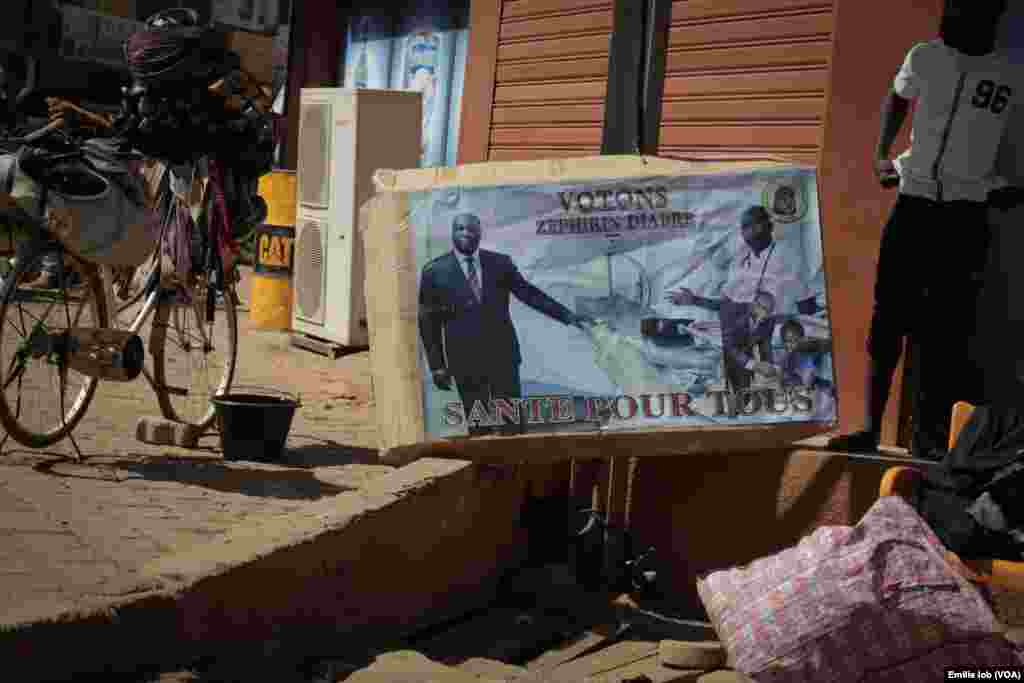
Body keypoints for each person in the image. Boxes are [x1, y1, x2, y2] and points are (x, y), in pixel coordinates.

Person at [828, 0, 1024, 457]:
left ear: (989, 18)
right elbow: (898, 96)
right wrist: (881, 153)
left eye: (962, 13)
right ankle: (870, 429)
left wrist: (1011, 187)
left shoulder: (1011, 73)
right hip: (913, 204)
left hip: (965, 215)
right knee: (888, 318)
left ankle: (929, 443)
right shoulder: (926, 56)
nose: (949, 20)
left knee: (946, 330)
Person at [418, 213, 591, 436]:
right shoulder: (434, 271)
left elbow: (529, 294)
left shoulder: (500, 263)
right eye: (460, 228)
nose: (466, 233)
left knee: (512, 424)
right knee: (479, 427)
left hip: (503, 357)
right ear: (452, 233)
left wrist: (568, 316)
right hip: (464, 360)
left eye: (472, 229)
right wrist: (437, 366)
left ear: (480, 234)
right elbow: (428, 322)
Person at [665, 205, 820, 319]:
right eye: (745, 227)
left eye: (756, 224)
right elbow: (727, 306)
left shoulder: (788, 256)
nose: (750, 231)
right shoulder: (740, 263)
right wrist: (694, 300)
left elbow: (808, 308)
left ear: (769, 226)